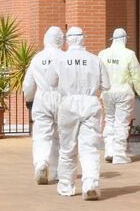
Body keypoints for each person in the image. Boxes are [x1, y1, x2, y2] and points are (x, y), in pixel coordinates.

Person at [48, 26, 110, 200]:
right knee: (89, 147)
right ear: (83, 38)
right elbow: (106, 85)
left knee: (67, 148)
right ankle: (90, 184)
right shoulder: (95, 59)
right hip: (90, 102)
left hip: (68, 103)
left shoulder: (60, 59)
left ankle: (66, 186)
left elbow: (51, 82)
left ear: (68, 39)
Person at [22, 26, 64, 185]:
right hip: (61, 98)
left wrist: (29, 99)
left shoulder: (37, 58)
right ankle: (59, 170)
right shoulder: (65, 57)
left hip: (42, 97)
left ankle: (41, 163)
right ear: (61, 39)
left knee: (42, 134)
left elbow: (28, 84)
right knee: (60, 136)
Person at [98, 28, 140, 164]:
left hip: (107, 92)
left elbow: (98, 74)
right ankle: (119, 154)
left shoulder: (103, 54)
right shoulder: (129, 54)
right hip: (124, 92)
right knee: (122, 123)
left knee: (110, 120)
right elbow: (136, 75)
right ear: (125, 39)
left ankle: (109, 150)